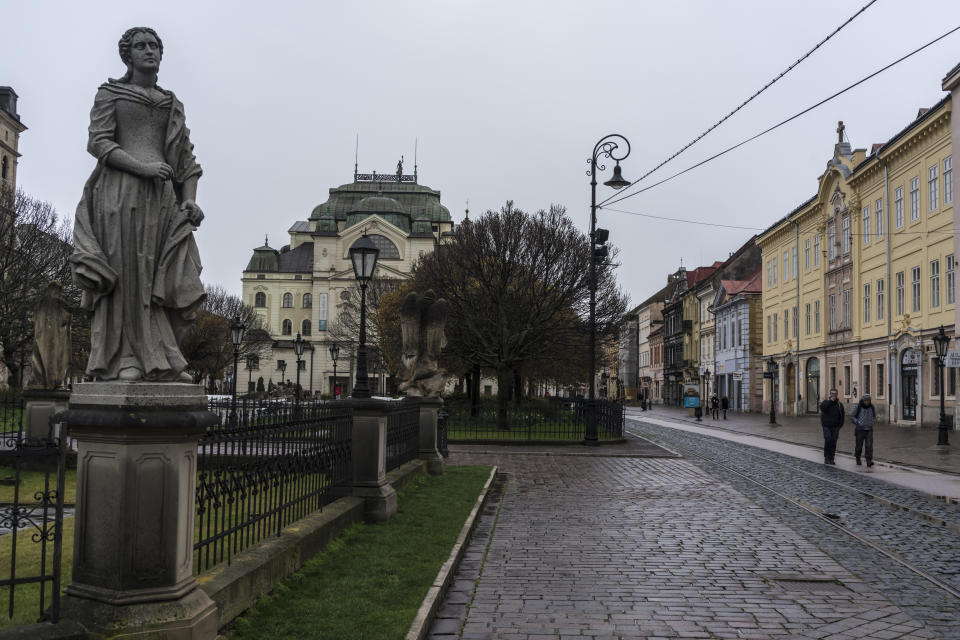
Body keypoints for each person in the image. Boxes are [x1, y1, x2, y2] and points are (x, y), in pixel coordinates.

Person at [71, 27, 205, 382]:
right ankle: (125, 359)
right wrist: (143, 168)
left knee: (161, 278)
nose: (149, 51)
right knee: (129, 274)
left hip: (162, 201)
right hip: (120, 194)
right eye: (141, 46)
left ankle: (163, 358)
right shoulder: (110, 93)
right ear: (127, 55)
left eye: (155, 46)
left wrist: (190, 201)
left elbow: (186, 161)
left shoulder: (171, 103)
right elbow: (98, 143)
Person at [819, 388, 845, 465]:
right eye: (832, 394)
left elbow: (842, 416)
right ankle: (826, 457)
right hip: (826, 426)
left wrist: (840, 425)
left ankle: (831, 458)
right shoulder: (826, 402)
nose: (834, 395)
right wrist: (830, 401)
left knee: (833, 441)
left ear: (837, 395)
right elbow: (822, 408)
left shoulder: (839, 405)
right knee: (828, 439)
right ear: (830, 394)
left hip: (835, 426)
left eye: (835, 394)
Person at [851, 393, 875, 467]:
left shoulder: (872, 407)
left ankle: (869, 460)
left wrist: (873, 421)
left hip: (869, 429)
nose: (867, 402)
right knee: (859, 446)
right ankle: (858, 458)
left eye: (868, 400)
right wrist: (857, 422)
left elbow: (874, 416)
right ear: (863, 400)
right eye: (866, 400)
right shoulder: (858, 407)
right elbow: (852, 416)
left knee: (869, 446)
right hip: (860, 430)